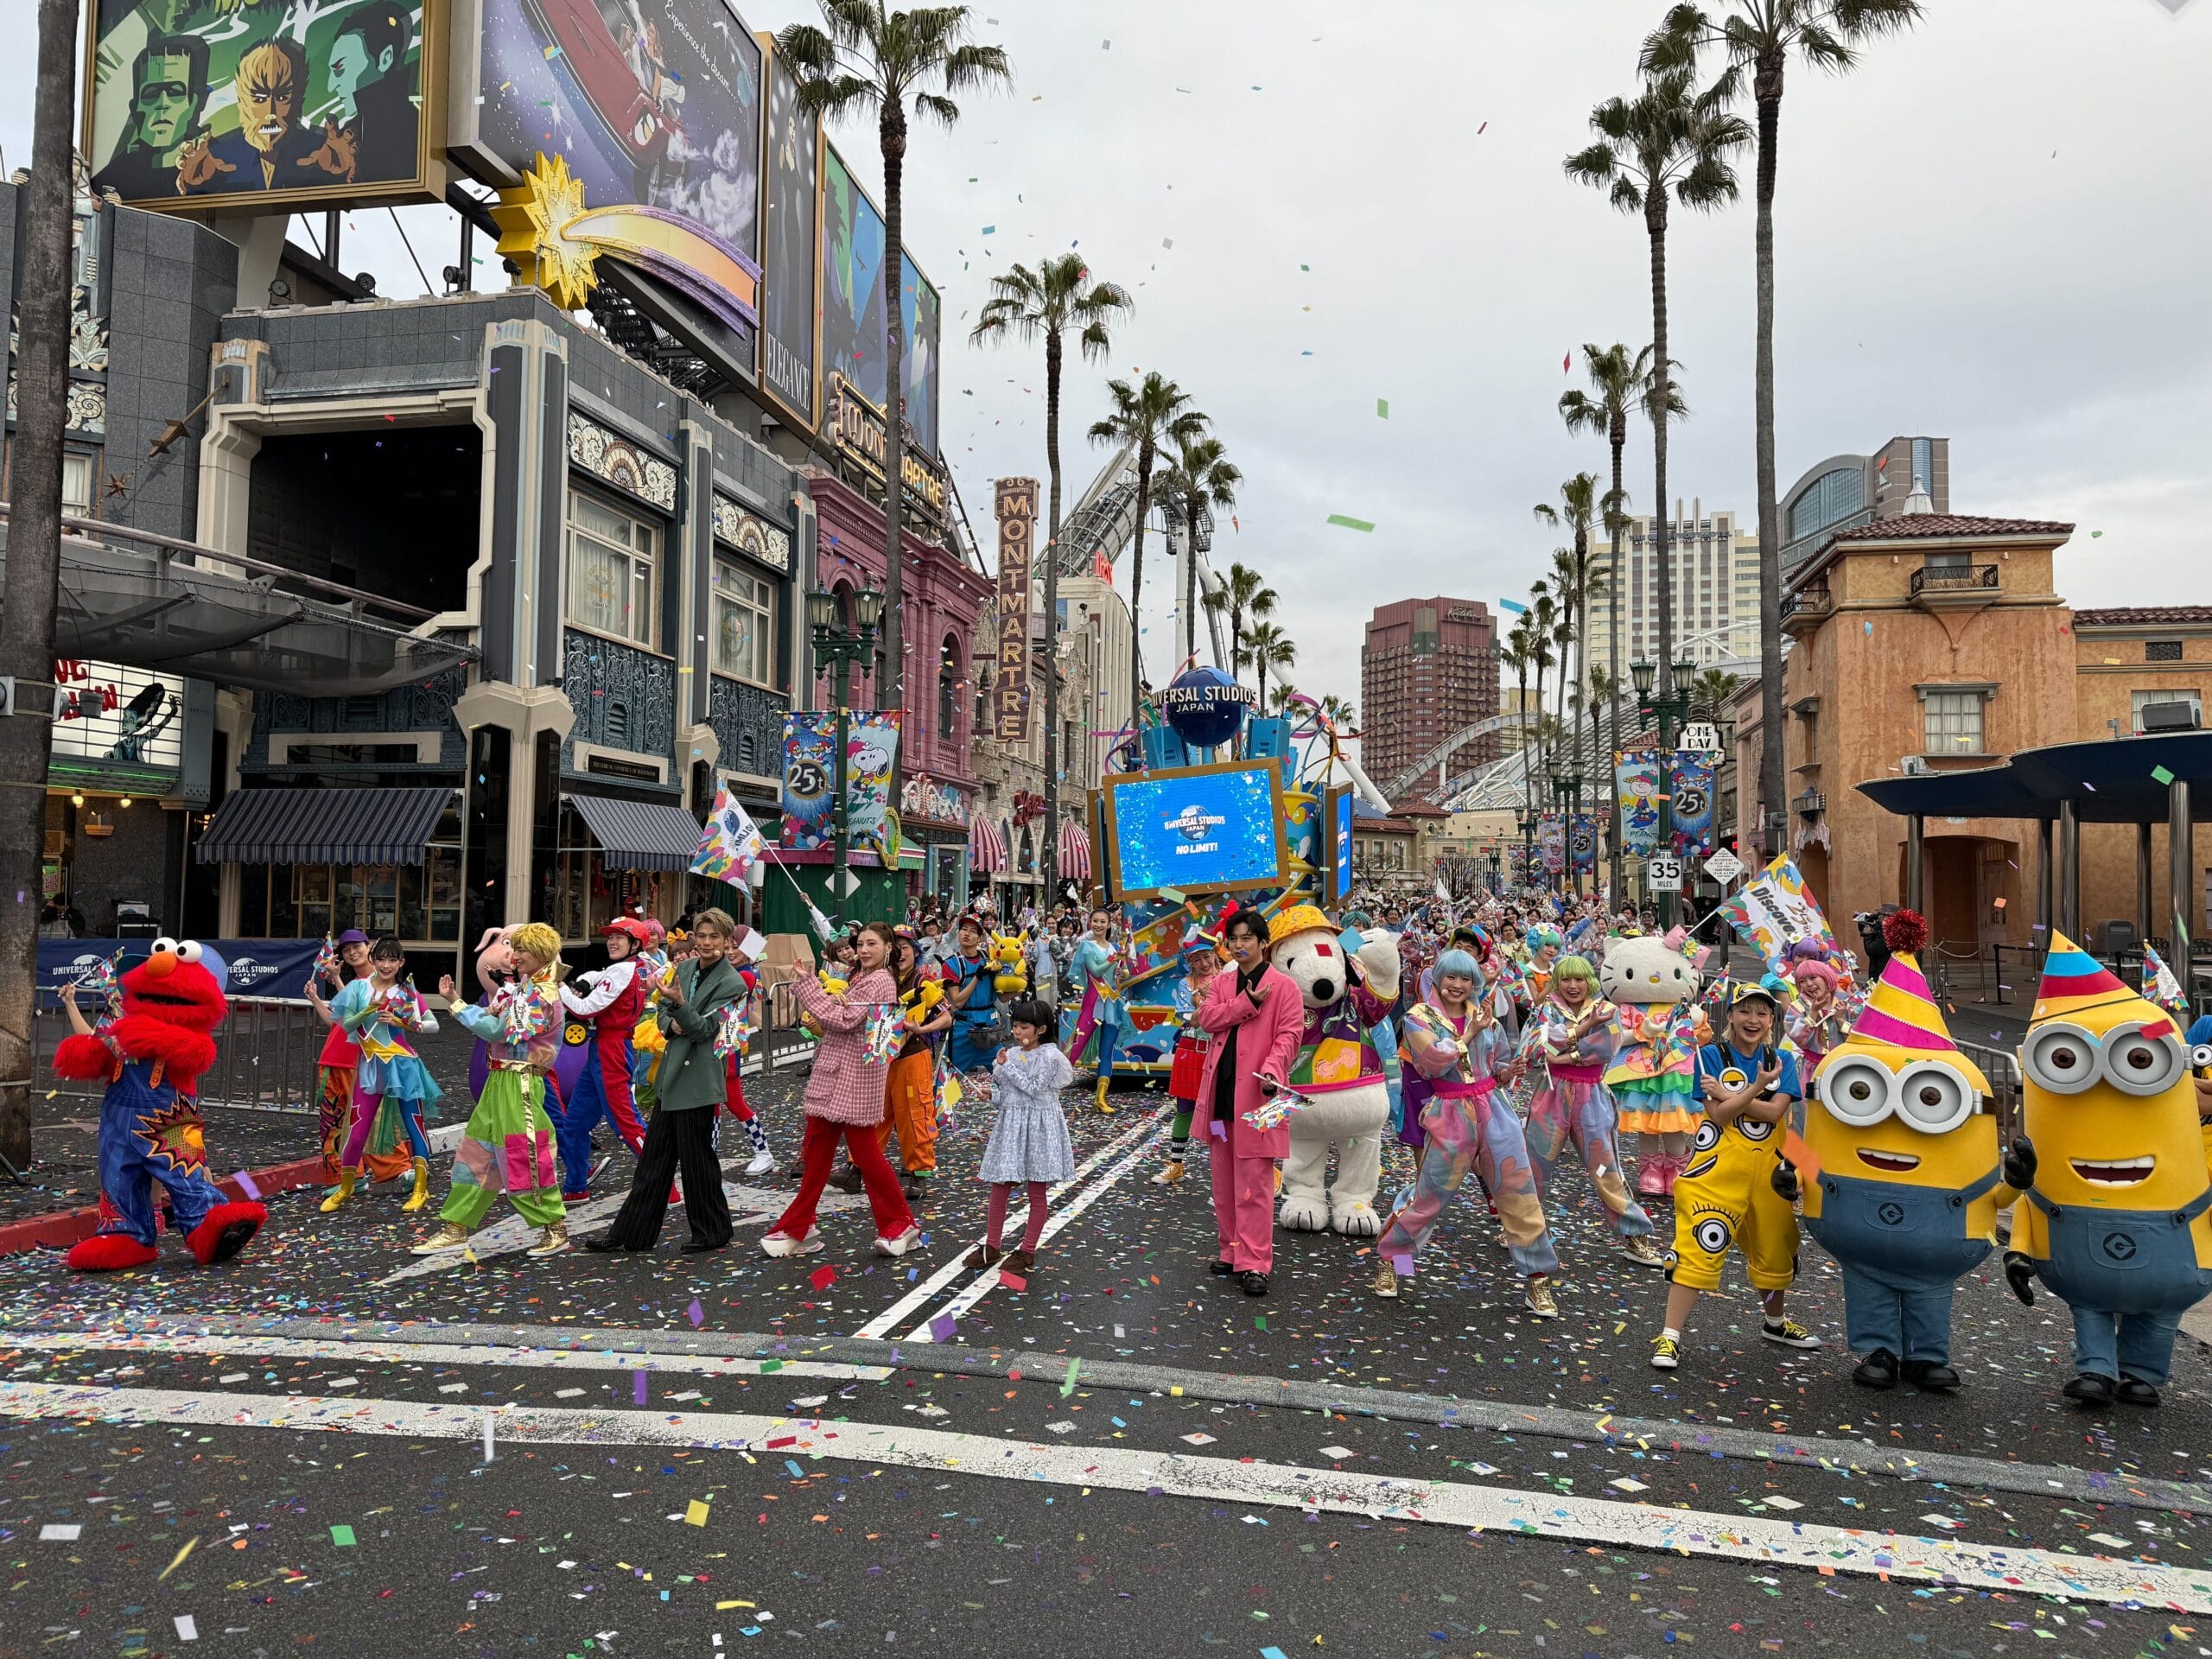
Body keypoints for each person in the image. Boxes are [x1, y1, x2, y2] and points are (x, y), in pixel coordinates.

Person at [1371, 950, 1558, 1316]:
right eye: (1451, 977)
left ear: (1474, 982)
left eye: (1466, 978)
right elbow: (1431, 1062)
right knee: (1430, 1195)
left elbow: (1497, 1063)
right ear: (1438, 979)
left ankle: (1538, 1279)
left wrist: (1509, 1071)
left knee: (1518, 1192)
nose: (1458, 985)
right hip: (1450, 1112)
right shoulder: (1417, 1017)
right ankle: (1393, 1262)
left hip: (1494, 1109)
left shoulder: (1485, 1015)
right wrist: (1469, 1033)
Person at [1650, 982, 1822, 1370]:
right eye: (1745, 1011)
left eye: (1762, 1012)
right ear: (1730, 1015)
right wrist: (1757, 1090)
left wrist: (1732, 1093)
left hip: (1769, 1172)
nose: (1753, 1019)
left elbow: (1775, 1115)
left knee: (1775, 1248)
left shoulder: (1782, 1059)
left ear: (1771, 1020)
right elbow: (1719, 1116)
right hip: (1717, 1170)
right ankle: (1670, 1336)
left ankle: (1775, 1324)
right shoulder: (1710, 1055)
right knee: (1698, 1245)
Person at [583, 909, 747, 1255]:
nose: (706, 943)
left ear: (726, 941)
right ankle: (632, 1234)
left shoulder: (733, 983)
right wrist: (670, 1023)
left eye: (714, 937)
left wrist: (681, 1007)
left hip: (699, 1080)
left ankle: (712, 1231)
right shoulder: (684, 968)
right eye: (701, 936)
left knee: (697, 1162)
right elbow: (660, 1006)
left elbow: (706, 1029)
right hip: (671, 1076)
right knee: (653, 1161)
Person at [762, 922, 921, 1259]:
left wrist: (809, 986)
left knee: (865, 1155)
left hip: (854, 1079)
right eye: (860, 944)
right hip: (836, 1076)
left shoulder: (880, 980)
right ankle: (800, 1225)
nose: (863, 950)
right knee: (818, 1153)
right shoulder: (862, 976)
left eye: (872, 944)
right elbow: (841, 1014)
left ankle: (900, 1223)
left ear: (888, 948)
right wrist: (824, 994)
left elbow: (843, 1019)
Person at [414, 923, 570, 1257]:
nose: (515, 955)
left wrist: (456, 1004)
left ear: (541, 954)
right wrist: (461, 1002)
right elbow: (499, 1020)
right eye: (515, 948)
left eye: (522, 950)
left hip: (520, 1083)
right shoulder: (528, 987)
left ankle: (554, 1227)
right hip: (502, 1079)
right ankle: (456, 1225)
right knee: (477, 1153)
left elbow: (499, 1032)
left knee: (523, 1154)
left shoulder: (542, 994)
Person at [1523, 955, 1662, 1268]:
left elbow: (1604, 1049)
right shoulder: (1545, 1009)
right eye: (1566, 979)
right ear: (1557, 982)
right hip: (1551, 1095)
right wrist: (1567, 1045)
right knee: (1534, 1165)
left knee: (1605, 1168)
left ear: (1590, 981)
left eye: (1579, 979)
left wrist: (1561, 1052)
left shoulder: (1607, 1010)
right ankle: (1520, 1229)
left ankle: (1634, 1235)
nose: (1573, 986)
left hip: (1592, 1097)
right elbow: (1533, 1050)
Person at [1194, 909, 1305, 1297]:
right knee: (1224, 1181)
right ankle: (1231, 1251)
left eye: (1246, 938)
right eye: (1233, 939)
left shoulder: (1285, 987)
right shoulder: (1223, 983)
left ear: (1262, 943)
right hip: (1221, 1096)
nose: (1239, 945)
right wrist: (1245, 1003)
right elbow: (1207, 1019)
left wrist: (1273, 1069)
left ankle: (1256, 1261)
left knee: (1256, 1183)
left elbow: (1290, 1036)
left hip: (1262, 1096)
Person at [319, 938, 441, 1213]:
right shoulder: (359, 988)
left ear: (401, 963)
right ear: (373, 960)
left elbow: (433, 1024)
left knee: (415, 1126)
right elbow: (344, 1024)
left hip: (404, 1067)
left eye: (392, 960)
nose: (387, 965)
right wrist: (368, 1010)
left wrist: (403, 1022)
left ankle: (420, 1189)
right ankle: (346, 1188)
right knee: (356, 1130)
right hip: (370, 1067)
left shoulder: (406, 991)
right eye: (382, 959)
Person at [964, 997, 1077, 1275]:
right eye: (1014, 1025)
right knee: (1000, 1186)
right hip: (1012, 1126)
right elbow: (1009, 1095)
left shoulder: (1050, 1057)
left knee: (1037, 1191)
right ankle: (992, 1246)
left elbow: (1034, 1087)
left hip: (1040, 1128)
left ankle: (1027, 1251)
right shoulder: (1013, 1055)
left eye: (1023, 1027)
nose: (1016, 1031)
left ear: (1041, 1030)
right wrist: (992, 1095)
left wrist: (1006, 1067)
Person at [554, 918, 652, 1200]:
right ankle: (576, 1187)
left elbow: (584, 1009)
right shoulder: (636, 965)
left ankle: (665, 1186)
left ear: (635, 944)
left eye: (619, 937)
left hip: (611, 1049)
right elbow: (602, 975)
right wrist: (586, 980)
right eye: (610, 937)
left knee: (626, 1123)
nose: (612, 942)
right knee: (574, 1123)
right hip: (605, 1047)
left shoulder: (623, 969)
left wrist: (559, 985)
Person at [880, 929, 951, 1199]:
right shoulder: (880, 980)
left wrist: (922, 1029)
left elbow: (946, 1018)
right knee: (873, 1116)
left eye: (905, 947)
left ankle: (919, 1174)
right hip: (881, 1059)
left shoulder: (923, 982)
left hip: (912, 1057)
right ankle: (857, 1168)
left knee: (915, 1117)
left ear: (915, 951)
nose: (900, 953)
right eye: (894, 947)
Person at [1156, 932, 1223, 1185]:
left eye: (1207, 956)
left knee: (1220, 1109)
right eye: (1196, 959)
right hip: (1192, 1047)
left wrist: (1206, 1003)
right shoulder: (1186, 984)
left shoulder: (1228, 978)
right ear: (1190, 962)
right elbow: (1188, 1019)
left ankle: (1226, 1163)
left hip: (1220, 1049)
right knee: (1184, 1107)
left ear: (1215, 954)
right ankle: (1176, 1164)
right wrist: (1207, 1004)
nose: (1204, 963)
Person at [1066, 908, 1127, 1111]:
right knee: (1076, 1046)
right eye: (1095, 921)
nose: (1099, 925)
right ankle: (1049, 1089)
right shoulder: (1087, 947)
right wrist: (1113, 959)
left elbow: (1125, 972)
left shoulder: (1115, 947)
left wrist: (1122, 972)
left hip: (1112, 1004)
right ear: (1090, 923)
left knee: (1107, 1051)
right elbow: (1095, 970)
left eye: (1103, 921)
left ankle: (1100, 1098)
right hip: (1093, 1003)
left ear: (1109, 924)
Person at [941, 913, 1001, 1076]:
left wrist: (1019, 982)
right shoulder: (950, 964)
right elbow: (957, 1002)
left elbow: (1003, 997)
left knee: (1006, 1076)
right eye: (964, 929)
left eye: (973, 931)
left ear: (979, 938)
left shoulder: (990, 959)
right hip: (964, 1029)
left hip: (989, 1028)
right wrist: (977, 977)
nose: (967, 934)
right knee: (946, 1080)